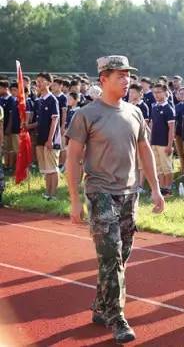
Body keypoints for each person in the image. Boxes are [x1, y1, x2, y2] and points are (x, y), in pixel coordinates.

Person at [66, 55, 165, 344]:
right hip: (101, 193)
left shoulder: (134, 112)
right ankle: (117, 317)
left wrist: (156, 189)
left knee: (120, 257)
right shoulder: (86, 114)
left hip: (129, 194)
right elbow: (73, 158)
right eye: (120, 75)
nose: (127, 80)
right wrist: (75, 199)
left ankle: (101, 305)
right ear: (103, 79)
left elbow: (145, 151)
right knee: (110, 255)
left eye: (128, 75)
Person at [35, 72, 61, 200]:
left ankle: (53, 194)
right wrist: (27, 126)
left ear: (49, 83)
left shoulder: (52, 100)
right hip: (40, 138)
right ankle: (47, 193)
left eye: (41, 81)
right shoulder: (39, 100)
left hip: (50, 139)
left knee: (52, 168)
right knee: (46, 169)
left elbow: (54, 120)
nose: (38, 83)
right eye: (37, 81)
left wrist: (50, 139)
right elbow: (40, 121)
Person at [149, 84, 176, 196]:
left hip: (164, 143)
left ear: (165, 93)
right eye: (154, 92)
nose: (156, 94)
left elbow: (171, 128)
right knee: (158, 167)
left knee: (167, 167)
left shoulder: (168, 109)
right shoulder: (154, 107)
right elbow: (152, 125)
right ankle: (161, 188)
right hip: (154, 142)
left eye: (159, 92)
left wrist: (170, 145)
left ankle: (168, 188)